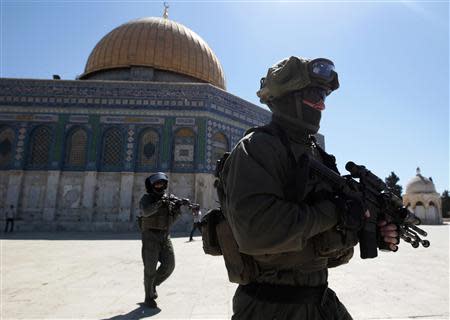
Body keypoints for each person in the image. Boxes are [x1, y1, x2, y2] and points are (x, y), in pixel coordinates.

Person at [220, 56, 399, 319]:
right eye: (312, 93)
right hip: (268, 307)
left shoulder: (318, 155)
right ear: (285, 96)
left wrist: (366, 230)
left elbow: (325, 235)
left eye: (324, 95)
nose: (321, 103)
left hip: (318, 299)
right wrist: (335, 211)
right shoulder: (257, 148)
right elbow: (256, 231)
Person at [138, 172, 189, 309]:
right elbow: (146, 212)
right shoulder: (146, 199)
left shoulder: (169, 200)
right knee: (150, 268)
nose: (159, 186)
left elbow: (171, 220)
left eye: (161, 183)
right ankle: (148, 297)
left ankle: (153, 283)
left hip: (164, 236)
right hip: (150, 236)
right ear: (152, 186)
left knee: (169, 265)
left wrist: (178, 207)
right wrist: (160, 203)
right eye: (156, 184)